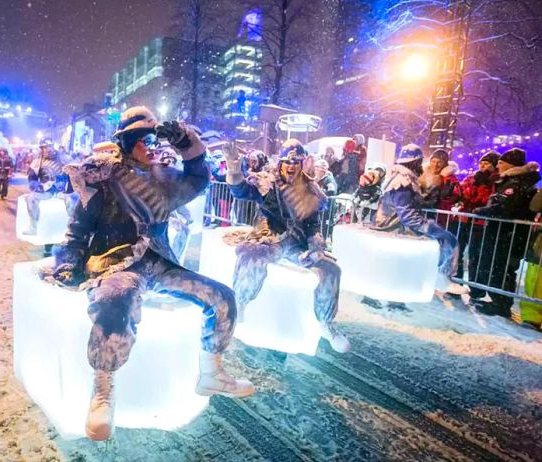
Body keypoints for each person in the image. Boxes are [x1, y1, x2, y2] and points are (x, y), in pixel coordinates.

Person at [47, 107, 254, 440]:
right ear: (128, 142)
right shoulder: (103, 178)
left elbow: (199, 179)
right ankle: (103, 390)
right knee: (115, 301)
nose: (153, 146)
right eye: (145, 139)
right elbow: (77, 229)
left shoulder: (164, 179)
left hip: (158, 262)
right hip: (116, 263)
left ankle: (211, 372)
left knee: (222, 297)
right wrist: (67, 261)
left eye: (157, 140)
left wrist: (186, 143)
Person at [223, 138, 351, 353]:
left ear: (302, 164)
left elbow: (312, 224)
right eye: (287, 162)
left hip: (297, 245)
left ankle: (325, 323)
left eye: (296, 162)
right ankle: (238, 307)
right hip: (269, 238)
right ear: (280, 163)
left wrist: (315, 240)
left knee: (331, 269)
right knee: (252, 256)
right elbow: (240, 191)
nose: (291, 166)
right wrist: (234, 168)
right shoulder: (267, 183)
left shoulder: (311, 191)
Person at [373, 144, 468, 295]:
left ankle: (399, 295)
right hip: (392, 228)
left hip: (396, 226)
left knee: (402, 264)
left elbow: (411, 204)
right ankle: (440, 276)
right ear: (414, 162)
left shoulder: (406, 178)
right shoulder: (403, 182)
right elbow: (406, 213)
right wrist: (428, 227)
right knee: (445, 239)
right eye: (419, 162)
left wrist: (429, 196)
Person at [473, 148, 540, 318]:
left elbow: (507, 208)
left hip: (508, 235)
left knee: (503, 268)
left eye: (501, 163)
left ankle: (501, 305)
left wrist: (483, 211)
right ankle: (497, 300)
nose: (498, 166)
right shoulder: (511, 181)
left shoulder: (516, 183)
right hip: (504, 234)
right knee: (499, 267)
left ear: (510, 165)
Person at [454, 151, 499, 300]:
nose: (483, 166)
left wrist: (485, 184)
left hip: (480, 224)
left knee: (475, 256)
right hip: (464, 220)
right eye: (481, 163)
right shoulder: (472, 178)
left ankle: (476, 289)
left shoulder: (496, 181)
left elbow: (488, 201)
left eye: (487, 164)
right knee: (457, 252)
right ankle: (456, 283)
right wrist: (474, 184)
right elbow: (464, 195)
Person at [24, 140, 69, 234]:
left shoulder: (64, 159)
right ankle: (33, 227)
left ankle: (72, 228)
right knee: (30, 198)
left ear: (53, 147)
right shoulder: (37, 162)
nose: (47, 150)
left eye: (48, 147)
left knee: (73, 200)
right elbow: (32, 179)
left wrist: (68, 188)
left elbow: (73, 175)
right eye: (44, 148)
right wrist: (37, 186)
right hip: (46, 191)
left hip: (63, 191)